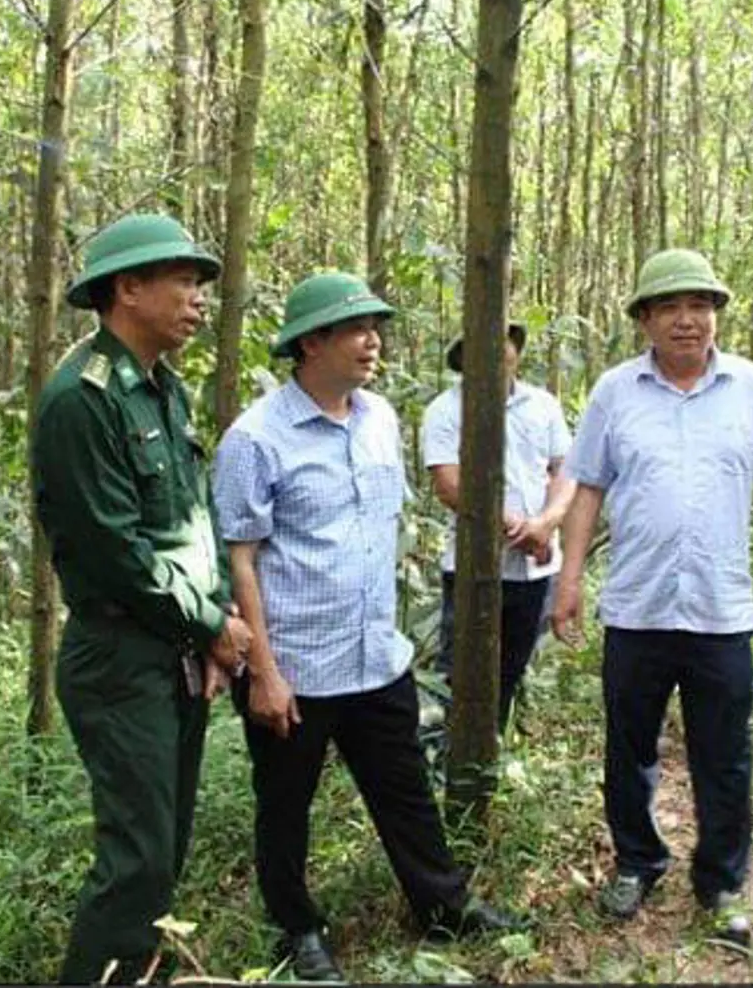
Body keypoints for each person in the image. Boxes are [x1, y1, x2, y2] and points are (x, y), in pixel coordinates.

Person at [213, 272, 525, 983]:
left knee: (404, 790)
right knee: (285, 805)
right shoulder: (255, 438)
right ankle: (297, 929)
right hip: (294, 666)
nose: (373, 341)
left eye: (375, 327)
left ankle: (442, 907)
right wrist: (262, 670)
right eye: (357, 329)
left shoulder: (380, 417)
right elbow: (241, 560)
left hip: (376, 657)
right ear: (311, 342)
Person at [31, 213, 252, 985]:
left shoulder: (164, 390)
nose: (198, 300)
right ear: (127, 288)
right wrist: (208, 625)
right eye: (183, 282)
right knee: (135, 861)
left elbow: (194, 521)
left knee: (162, 855)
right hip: (120, 655)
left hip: (173, 650)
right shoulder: (80, 400)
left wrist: (216, 621)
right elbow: (118, 552)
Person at [551, 248, 753, 946]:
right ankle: (637, 860)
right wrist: (569, 580)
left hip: (721, 613)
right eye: (669, 308)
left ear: (716, 315)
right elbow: (587, 487)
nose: (687, 321)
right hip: (636, 608)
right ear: (645, 320)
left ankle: (719, 884)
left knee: (725, 755)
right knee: (628, 747)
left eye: (699, 306)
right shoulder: (613, 393)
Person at [421, 321, 574, 731]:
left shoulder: (543, 406)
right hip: (473, 568)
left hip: (537, 567)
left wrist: (546, 523)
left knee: (512, 668)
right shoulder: (445, 410)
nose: (498, 349)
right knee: (458, 670)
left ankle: (493, 753)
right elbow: (450, 485)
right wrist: (517, 529)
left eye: (506, 341)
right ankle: (445, 758)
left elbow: (565, 469)